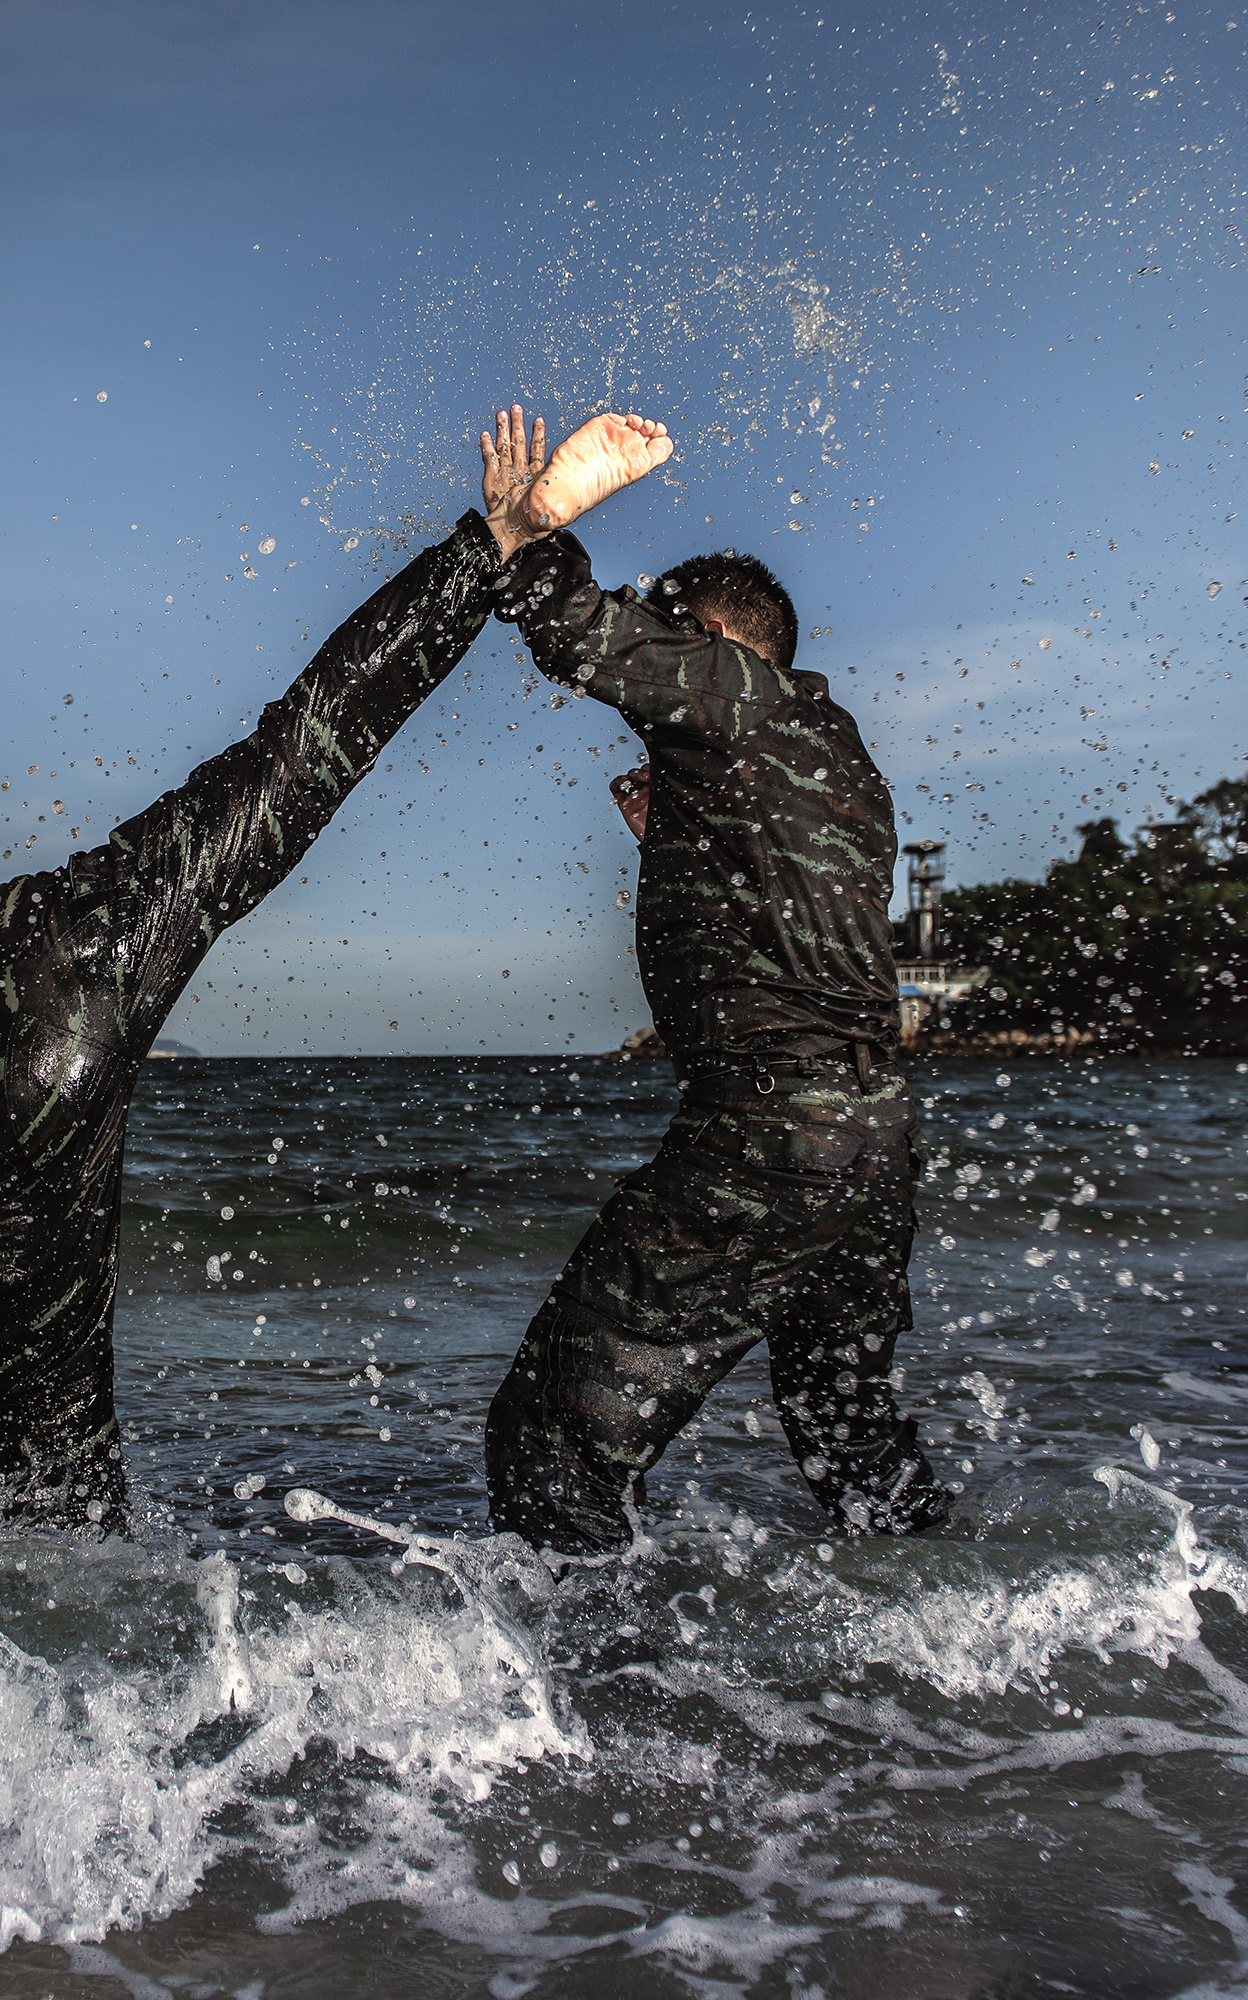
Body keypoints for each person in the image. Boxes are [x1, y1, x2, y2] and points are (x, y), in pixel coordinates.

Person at [0, 412, 550, 1531]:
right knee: (291, 755)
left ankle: (92, 1677)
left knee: (57, 1487)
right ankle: (491, 551)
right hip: (66, 947)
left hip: (10, 1089)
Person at [475, 408, 950, 1554]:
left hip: (771, 1126)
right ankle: (959, 1656)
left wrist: (525, 530)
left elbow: (584, 635)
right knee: (847, 1426)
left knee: (549, 1433)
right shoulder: (839, 754)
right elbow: (793, 920)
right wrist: (682, 837)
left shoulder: (734, 692)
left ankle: (584, 1710)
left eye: (674, 626)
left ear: (720, 637)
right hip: (874, 1137)